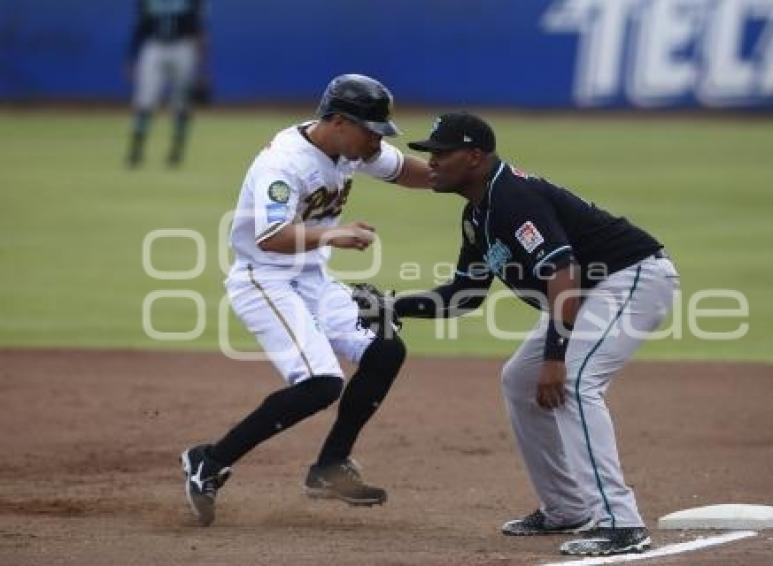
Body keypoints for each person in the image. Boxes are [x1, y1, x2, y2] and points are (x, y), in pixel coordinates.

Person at [391, 112, 680, 556]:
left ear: (473, 157)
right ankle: (566, 508)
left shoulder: (513, 197)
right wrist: (395, 305)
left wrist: (554, 357)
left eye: (440, 153)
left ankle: (621, 523)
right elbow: (466, 294)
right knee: (520, 381)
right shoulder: (477, 214)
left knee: (576, 381)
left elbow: (565, 273)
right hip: (590, 291)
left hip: (629, 278)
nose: (431, 162)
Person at [180, 74, 431, 526]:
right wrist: (335, 233)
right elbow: (272, 237)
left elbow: (406, 171)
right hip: (265, 278)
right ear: (337, 121)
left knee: (385, 349)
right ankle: (209, 460)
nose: (376, 141)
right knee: (320, 384)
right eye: (370, 131)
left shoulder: (348, 146)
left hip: (312, 277)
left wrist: (465, 180)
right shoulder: (287, 163)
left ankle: (330, 466)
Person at [125, 0, 208, 167]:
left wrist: (202, 62)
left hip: (183, 44)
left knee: (181, 102)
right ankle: (136, 150)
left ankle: (176, 152)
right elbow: (141, 24)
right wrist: (131, 56)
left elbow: (199, 25)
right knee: (145, 100)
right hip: (154, 44)